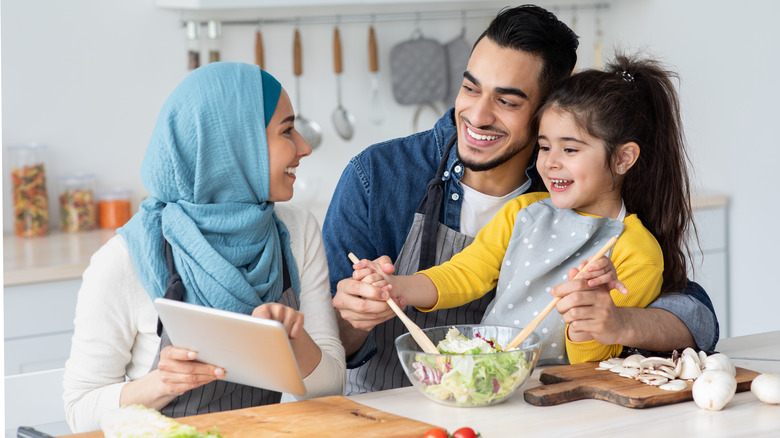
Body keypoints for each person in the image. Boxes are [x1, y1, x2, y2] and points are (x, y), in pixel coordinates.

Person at [322, 5, 719, 394]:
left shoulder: (587, 202)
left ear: (545, 111)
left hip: (535, 405)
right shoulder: (378, 174)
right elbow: (323, 346)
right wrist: (379, 297)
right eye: (470, 87)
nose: (477, 116)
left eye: (507, 101)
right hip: (388, 406)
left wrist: (610, 319)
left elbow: (692, 313)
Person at [354, 53, 694, 364]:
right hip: (490, 376)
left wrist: (589, 318)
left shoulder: (637, 253)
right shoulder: (524, 212)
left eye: (570, 150)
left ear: (623, 158)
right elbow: (466, 273)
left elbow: (591, 364)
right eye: (545, 147)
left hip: (560, 397)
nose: (551, 163)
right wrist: (397, 287)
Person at [63, 62, 345, 432]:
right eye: (287, 131)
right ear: (231, 143)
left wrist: (292, 340)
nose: (304, 147)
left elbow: (331, 388)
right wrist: (161, 384)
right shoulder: (124, 261)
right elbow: (78, 410)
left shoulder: (297, 230)